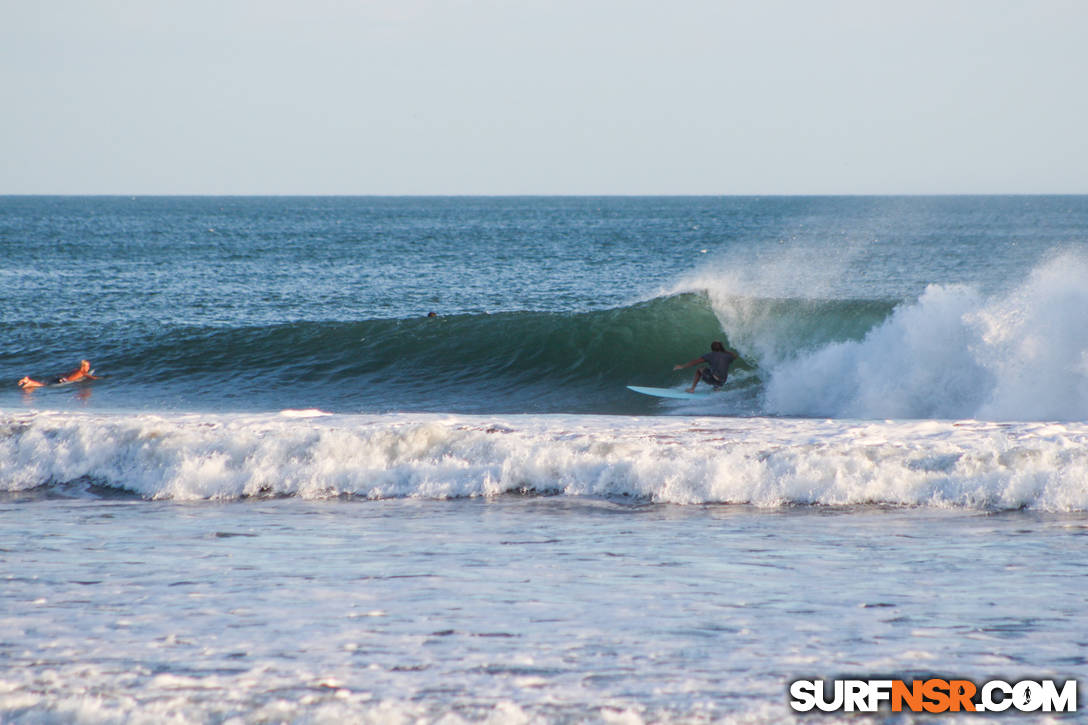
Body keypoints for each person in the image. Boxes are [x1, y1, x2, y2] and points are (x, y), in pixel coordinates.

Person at [673, 341, 738, 393]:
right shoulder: (727, 356)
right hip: (723, 381)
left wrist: (682, 366)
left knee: (700, 369)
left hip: (714, 380)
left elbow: (695, 362)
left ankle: (692, 389)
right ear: (721, 348)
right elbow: (735, 356)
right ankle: (716, 389)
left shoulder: (710, 355)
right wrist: (724, 350)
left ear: (712, 348)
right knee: (714, 370)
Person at [18, 360, 100, 390]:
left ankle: (28, 381)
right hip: (65, 381)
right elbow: (91, 377)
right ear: (84, 366)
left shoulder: (76, 370)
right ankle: (29, 381)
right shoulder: (83, 372)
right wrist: (99, 378)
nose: (89, 367)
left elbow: (66, 374)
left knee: (45, 384)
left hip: (62, 378)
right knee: (44, 385)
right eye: (88, 366)